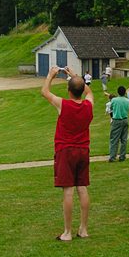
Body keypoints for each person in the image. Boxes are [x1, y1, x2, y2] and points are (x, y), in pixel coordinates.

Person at [41, 63, 92, 242]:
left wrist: (51, 75)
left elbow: (45, 92)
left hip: (65, 150)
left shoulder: (63, 105)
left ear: (68, 91)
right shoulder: (88, 105)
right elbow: (89, 93)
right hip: (83, 150)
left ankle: (67, 232)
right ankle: (83, 229)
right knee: (82, 188)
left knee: (68, 191)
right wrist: (75, 76)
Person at [105, 85, 129, 162]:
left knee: (114, 139)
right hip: (125, 119)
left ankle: (112, 157)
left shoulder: (114, 100)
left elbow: (111, 108)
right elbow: (128, 108)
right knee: (124, 139)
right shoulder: (127, 101)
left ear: (118, 92)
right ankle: (122, 156)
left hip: (116, 120)